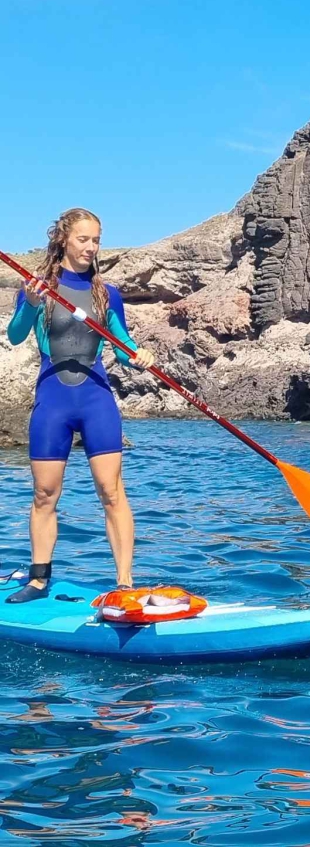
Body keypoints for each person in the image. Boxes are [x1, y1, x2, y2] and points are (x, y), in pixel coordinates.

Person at [6, 208, 156, 603]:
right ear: (64, 240)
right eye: (83, 239)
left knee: (112, 491)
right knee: (44, 494)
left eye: (96, 240)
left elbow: (122, 346)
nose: (91, 247)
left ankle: (124, 584)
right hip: (53, 401)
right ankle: (38, 580)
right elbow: (16, 335)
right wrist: (31, 303)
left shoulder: (107, 295)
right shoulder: (38, 289)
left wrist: (138, 356)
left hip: (96, 399)